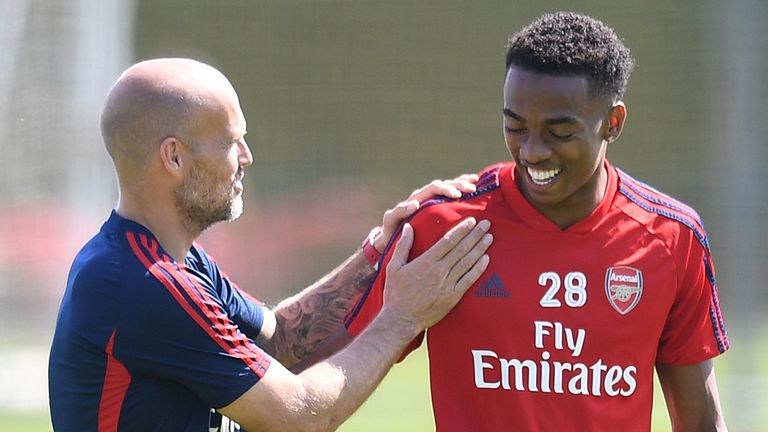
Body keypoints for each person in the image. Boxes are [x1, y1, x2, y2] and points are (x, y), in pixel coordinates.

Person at [47, 57, 495, 431]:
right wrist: (402, 316)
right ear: (175, 157)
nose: (246, 157)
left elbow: (281, 339)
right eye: (231, 142)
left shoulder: (173, 263)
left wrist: (376, 253)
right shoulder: (143, 284)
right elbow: (298, 417)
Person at [341, 12, 729, 431]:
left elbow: (702, 422)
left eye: (558, 132)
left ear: (612, 124)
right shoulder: (445, 229)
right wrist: (373, 254)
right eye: (515, 126)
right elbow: (308, 371)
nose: (532, 151)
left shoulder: (672, 240)